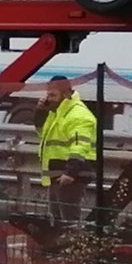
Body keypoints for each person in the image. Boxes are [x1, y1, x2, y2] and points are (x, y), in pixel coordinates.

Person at [34, 76, 97, 227]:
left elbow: (79, 146)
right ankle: (60, 248)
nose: (49, 99)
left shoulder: (78, 116)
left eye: (53, 95)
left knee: (69, 222)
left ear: (66, 94)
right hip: (57, 174)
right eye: (48, 95)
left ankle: (71, 248)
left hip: (70, 176)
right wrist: (40, 112)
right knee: (57, 221)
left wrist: (70, 173)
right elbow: (42, 133)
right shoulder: (57, 113)